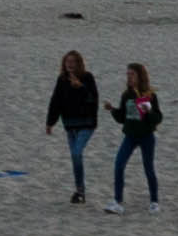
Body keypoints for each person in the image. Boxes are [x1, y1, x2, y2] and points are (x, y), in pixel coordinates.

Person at [45, 52, 104, 205]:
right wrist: (50, 122)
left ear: (79, 63)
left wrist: (81, 87)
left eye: (73, 62)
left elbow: (93, 99)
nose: (70, 64)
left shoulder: (87, 77)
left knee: (77, 153)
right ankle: (80, 191)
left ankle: (80, 190)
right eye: (67, 62)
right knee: (74, 157)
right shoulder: (62, 80)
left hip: (86, 124)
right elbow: (55, 101)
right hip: (70, 125)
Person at [106, 63, 164, 213]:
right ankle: (117, 201)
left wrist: (148, 112)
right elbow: (121, 118)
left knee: (148, 168)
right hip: (130, 136)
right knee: (119, 164)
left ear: (140, 76)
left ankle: (154, 202)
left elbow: (158, 118)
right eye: (128, 74)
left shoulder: (149, 95)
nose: (129, 77)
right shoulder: (126, 95)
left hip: (146, 136)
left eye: (132, 74)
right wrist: (112, 110)